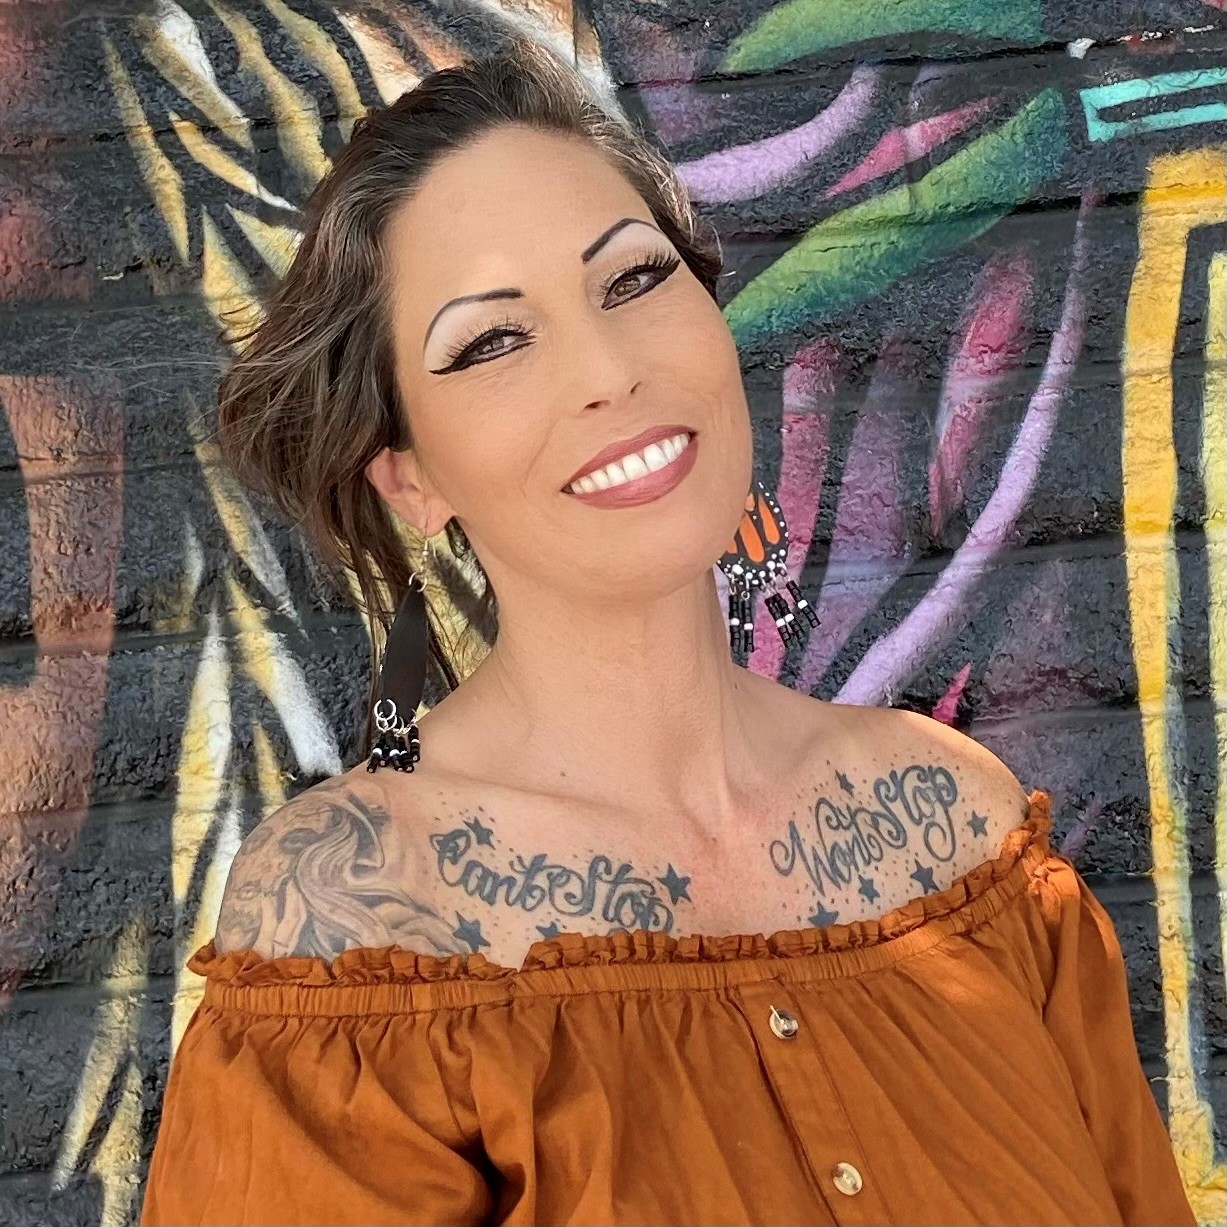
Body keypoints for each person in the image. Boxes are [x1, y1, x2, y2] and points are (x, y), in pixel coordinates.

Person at [139, 36, 1196, 1227]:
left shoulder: (962, 833)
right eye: (492, 342)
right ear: (409, 479)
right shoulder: (356, 924)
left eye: (633, 279)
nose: (608, 369)